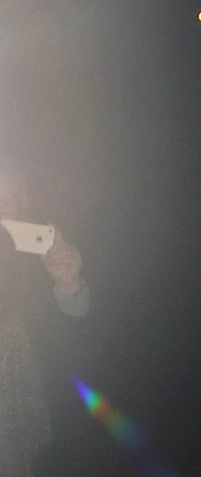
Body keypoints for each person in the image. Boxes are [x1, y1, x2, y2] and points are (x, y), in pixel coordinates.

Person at [0, 152, 92, 476]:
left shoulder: (36, 273)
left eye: (6, 203)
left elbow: (75, 360)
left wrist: (69, 287)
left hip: (21, 455)